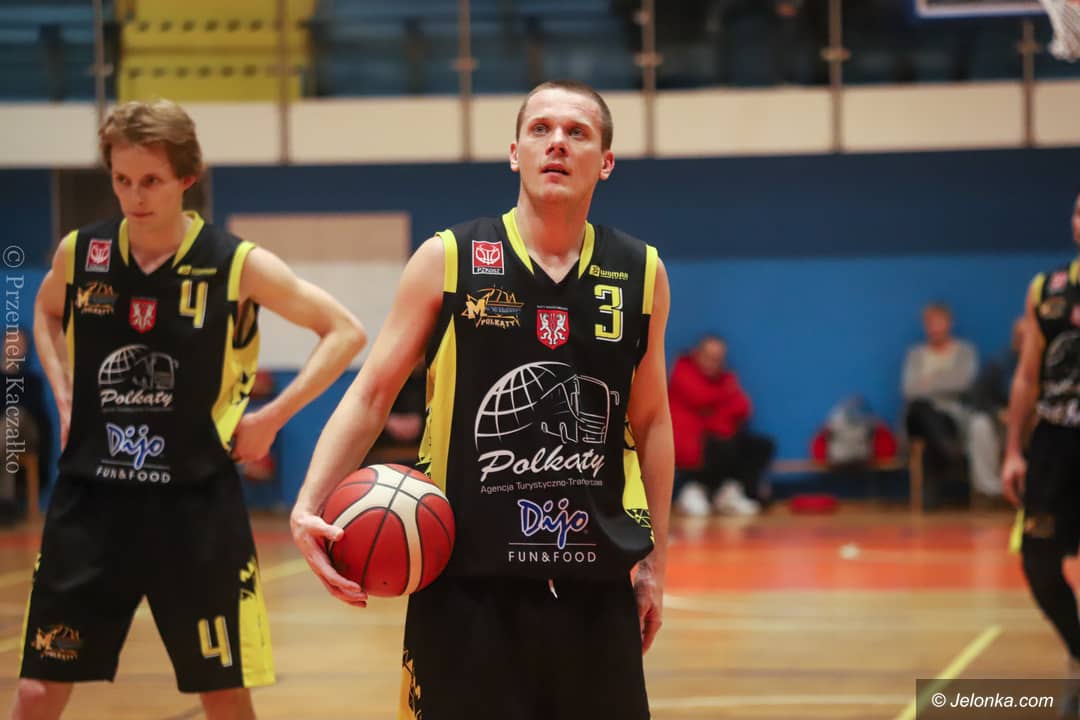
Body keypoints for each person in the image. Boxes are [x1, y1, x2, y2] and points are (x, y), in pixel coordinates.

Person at [290, 80, 673, 720]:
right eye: (540, 129)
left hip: (595, 586)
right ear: (515, 153)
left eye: (577, 133)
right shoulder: (448, 259)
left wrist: (656, 562)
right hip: (465, 587)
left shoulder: (641, 272)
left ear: (605, 161)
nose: (557, 143)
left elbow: (653, 421)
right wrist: (308, 503)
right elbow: (372, 393)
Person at [14, 99, 366, 720]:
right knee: (37, 691)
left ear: (186, 178)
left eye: (150, 180)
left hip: (195, 507)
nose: (134, 196)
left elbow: (344, 332)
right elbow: (44, 311)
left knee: (224, 695)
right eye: (122, 179)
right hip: (90, 502)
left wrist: (269, 419)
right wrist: (62, 395)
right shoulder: (82, 253)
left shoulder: (235, 263)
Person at [1003, 190, 1080, 701]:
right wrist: (1014, 449)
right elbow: (1028, 377)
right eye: (1078, 211)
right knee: (1038, 561)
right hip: (1055, 442)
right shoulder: (1046, 288)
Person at [669, 334, 774, 516]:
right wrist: (723, 402)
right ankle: (695, 489)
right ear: (697, 354)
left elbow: (743, 407)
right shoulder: (683, 372)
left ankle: (730, 492)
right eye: (708, 356)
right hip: (689, 442)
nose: (712, 363)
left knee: (761, 445)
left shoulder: (725, 378)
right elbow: (700, 398)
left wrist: (716, 411)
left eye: (718, 358)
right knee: (721, 445)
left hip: (717, 437)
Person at [902, 301, 985, 507]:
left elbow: (964, 383)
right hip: (917, 419)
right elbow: (909, 389)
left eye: (939, 322)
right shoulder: (915, 354)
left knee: (932, 425)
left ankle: (932, 490)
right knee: (921, 408)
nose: (935, 328)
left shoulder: (965, 351)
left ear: (950, 323)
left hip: (951, 418)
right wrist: (945, 379)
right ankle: (950, 453)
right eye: (930, 323)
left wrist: (929, 381)